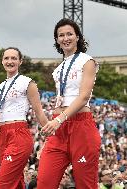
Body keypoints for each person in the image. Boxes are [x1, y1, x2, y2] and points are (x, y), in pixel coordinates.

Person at [37, 18, 101, 189]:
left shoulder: (87, 61)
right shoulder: (58, 69)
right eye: (61, 35)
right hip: (59, 128)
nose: (65, 38)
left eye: (69, 34)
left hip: (81, 126)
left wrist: (59, 119)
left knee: (85, 185)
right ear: (57, 40)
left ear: (78, 37)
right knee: (44, 182)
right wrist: (56, 119)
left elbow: (84, 96)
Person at [0, 47, 48, 189]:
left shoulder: (27, 82)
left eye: (14, 58)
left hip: (18, 134)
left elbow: (39, 112)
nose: (10, 61)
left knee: (2, 183)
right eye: (6, 58)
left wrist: (52, 134)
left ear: (20, 61)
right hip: (2, 135)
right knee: (17, 182)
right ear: (2, 61)